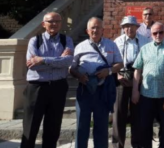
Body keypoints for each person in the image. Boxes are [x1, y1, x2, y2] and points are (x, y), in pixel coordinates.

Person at [20, 12, 74, 148]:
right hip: (37, 87)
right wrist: (58, 60)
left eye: (57, 21)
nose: (54, 24)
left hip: (58, 87)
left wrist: (42, 59)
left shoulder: (66, 40)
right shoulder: (35, 40)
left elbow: (68, 61)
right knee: (30, 126)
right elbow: (32, 66)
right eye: (51, 21)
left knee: (53, 127)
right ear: (44, 24)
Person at [71, 17, 123, 148]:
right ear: (87, 30)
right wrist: (79, 76)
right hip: (85, 91)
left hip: (103, 91)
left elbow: (120, 64)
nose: (95, 30)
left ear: (103, 30)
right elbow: (71, 68)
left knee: (101, 126)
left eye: (98, 27)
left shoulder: (111, 45)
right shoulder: (80, 47)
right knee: (82, 126)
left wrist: (109, 71)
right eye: (92, 28)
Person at [132, 22, 164, 148]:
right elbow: (137, 70)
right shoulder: (145, 48)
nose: (158, 35)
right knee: (145, 126)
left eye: (161, 32)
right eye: (155, 33)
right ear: (151, 34)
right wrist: (135, 90)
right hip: (146, 94)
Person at [113, 16, 150, 148]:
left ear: (137, 27)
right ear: (123, 28)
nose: (129, 28)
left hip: (139, 79)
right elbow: (113, 60)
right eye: (126, 26)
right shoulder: (117, 41)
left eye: (131, 26)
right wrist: (117, 73)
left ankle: (137, 144)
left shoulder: (145, 41)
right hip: (122, 79)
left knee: (138, 115)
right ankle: (118, 144)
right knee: (119, 114)